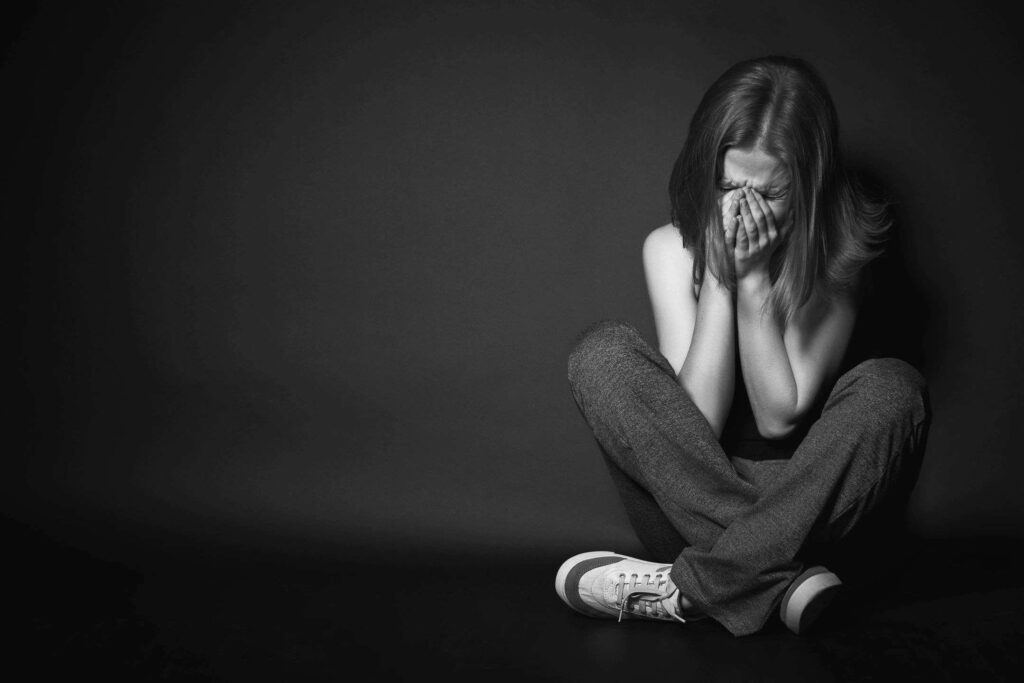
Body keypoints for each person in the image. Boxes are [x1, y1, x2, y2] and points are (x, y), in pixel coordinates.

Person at [556, 55, 930, 636]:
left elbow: (781, 418)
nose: (744, 208)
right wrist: (721, 282)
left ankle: (689, 588)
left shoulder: (837, 258)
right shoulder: (670, 248)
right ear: (709, 173)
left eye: (771, 194)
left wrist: (755, 281)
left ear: (807, 188)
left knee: (895, 386)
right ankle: (780, 580)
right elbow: (692, 421)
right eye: (730, 187)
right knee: (600, 353)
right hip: (690, 507)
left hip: (812, 501)